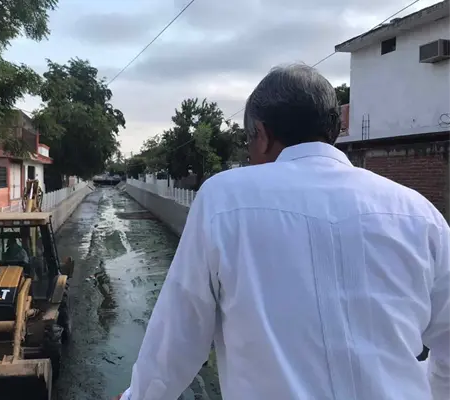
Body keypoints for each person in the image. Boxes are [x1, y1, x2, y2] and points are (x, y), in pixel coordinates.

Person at [115, 64, 450, 399]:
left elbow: (179, 335)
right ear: (335, 129)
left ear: (261, 134)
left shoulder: (225, 198)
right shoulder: (419, 214)